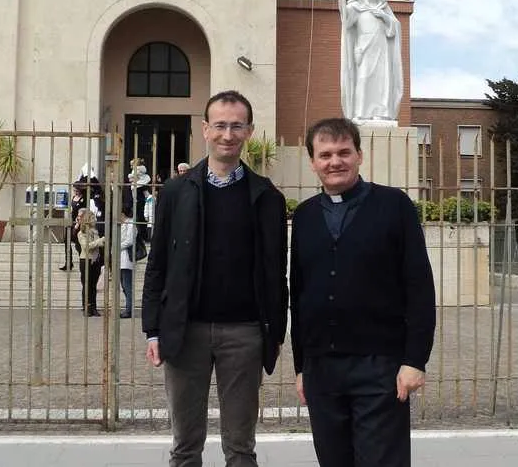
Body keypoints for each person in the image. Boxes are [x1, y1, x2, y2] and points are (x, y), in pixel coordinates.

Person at [142, 90, 288, 467]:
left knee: (240, 447)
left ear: (249, 131)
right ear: (205, 129)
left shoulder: (266, 196)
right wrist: (152, 330)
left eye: (236, 126)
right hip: (184, 330)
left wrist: (274, 334)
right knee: (185, 445)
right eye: (220, 125)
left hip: (244, 334)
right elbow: (157, 263)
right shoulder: (176, 192)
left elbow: (276, 273)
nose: (228, 134)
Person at [290, 117, 436, 467]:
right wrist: (301, 366)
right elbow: (299, 292)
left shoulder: (394, 205)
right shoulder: (306, 215)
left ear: (360, 155)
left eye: (344, 152)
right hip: (322, 368)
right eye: (325, 154)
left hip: (380, 366)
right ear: (312, 161)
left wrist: (415, 360)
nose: (334, 161)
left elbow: (419, 286)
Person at [338, 0, 403, 121]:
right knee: (363, 79)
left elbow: (394, 29)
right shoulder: (358, 7)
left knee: (382, 81)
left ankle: (381, 113)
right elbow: (346, 21)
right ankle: (360, 112)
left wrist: (384, 17)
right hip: (364, 49)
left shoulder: (384, 9)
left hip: (381, 49)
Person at [76, 208, 105, 317]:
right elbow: (86, 246)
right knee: (86, 284)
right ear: (88, 219)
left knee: (93, 285)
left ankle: (94, 307)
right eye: (93, 218)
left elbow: (97, 245)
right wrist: (99, 241)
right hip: (86, 260)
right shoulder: (81, 233)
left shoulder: (95, 231)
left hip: (95, 260)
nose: (95, 219)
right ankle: (86, 307)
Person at [119, 205, 137, 319]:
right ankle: (128, 307)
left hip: (127, 258)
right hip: (120, 257)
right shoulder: (123, 224)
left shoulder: (131, 224)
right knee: (123, 284)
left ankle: (129, 309)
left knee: (127, 284)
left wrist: (117, 246)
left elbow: (129, 241)